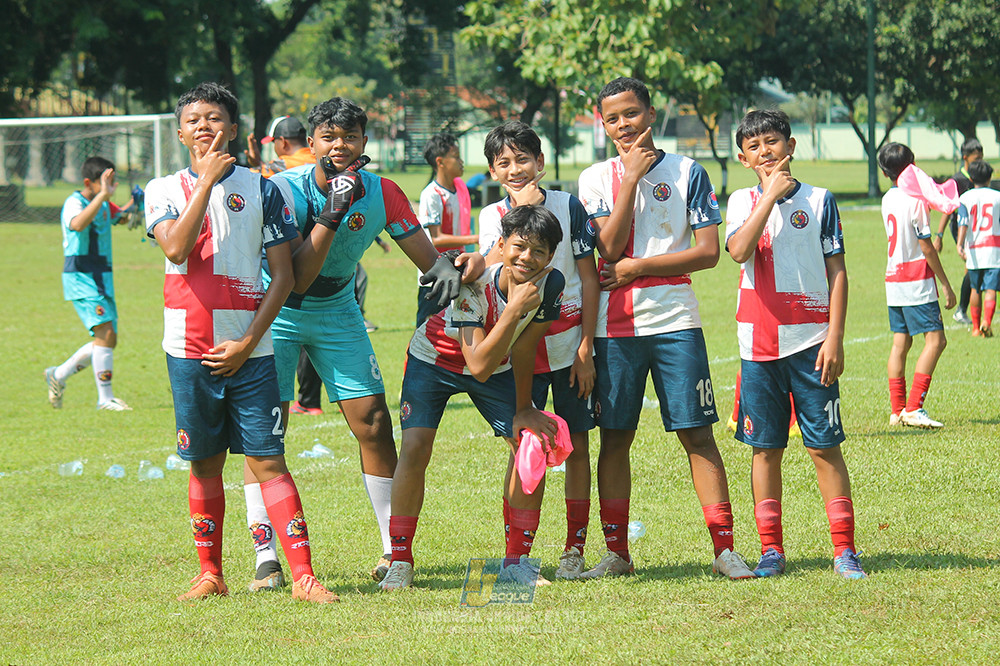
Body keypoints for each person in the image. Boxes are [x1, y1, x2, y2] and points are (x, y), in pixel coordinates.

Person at [246, 96, 480, 590]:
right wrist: (334, 207)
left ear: (364, 144)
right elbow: (298, 280)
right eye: (329, 137)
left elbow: (427, 258)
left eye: (349, 137)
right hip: (279, 310)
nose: (339, 146)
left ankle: (393, 551)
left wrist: (459, 270)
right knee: (267, 431)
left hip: (339, 311)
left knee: (374, 423)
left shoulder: (384, 191)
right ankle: (266, 557)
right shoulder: (281, 191)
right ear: (310, 144)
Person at [144, 81, 337, 602]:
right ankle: (211, 573)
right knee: (204, 463)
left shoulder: (263, 188)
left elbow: (285, 276)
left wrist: (251, 341)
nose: (204, 125)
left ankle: (303, 577)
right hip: (189, 348)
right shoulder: (162, 189)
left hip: (253, 351)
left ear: (233, 128)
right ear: (180, 131)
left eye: (215, 117)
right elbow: (177, 248)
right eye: (194, 119)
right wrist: (205, 183)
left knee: (268, 459)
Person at [577, 77, 754, 580]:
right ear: (603, 124)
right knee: (615, 437)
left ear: (651, 114)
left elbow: (707, 251)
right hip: (616, 328)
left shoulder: (687, 171)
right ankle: (617, 555)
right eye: (612, 118)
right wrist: (630, 178)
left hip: (677, 321)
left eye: (631, 113)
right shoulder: (595, 178)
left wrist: (638, 269)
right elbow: (607, 251)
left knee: (697, 434)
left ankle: (724, 550)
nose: (623, 124)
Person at [379, 205, 565, 591]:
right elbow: (477, 362)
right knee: (415, 448)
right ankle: (400, 560)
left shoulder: (552, 283)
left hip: (497, 368)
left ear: (551, 258)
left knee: (531, 444)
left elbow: (527, 343)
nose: (527, 258)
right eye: (519, 246)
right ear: (501, 244)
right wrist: (513, 309)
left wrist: (524, 408)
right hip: (434, 361)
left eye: (540, 252)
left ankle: (517, 562)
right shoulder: (474, 284)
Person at [726, 108, 865, 579]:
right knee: (764, 448)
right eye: (755, 146)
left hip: (812, 342)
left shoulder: (821, 200)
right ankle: (771, 550)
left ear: (791, 145)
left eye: (773, 141)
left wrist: (836, 337)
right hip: (758, 347)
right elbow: (740, 251)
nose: (765, 151)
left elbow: (837, 272)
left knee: (824, 447)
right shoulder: (741, 201)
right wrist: (768, 198)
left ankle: (844, 550)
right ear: (743, 158)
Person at [477, 121, 599, 579]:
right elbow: (491, 266)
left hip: (568, 349)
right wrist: (516, 216)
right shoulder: (492, 216)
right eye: (504, 163)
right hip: (517, 352)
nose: (515, 169)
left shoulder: (570, 207)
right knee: (522, 450)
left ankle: (574, 549)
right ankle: (517, 557)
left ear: (540, 163)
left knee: (577, 445)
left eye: (522, 159)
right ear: (492, 170)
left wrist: (586, 345)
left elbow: (588, 276)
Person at [45, 156, 134, 411]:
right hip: (82, 276)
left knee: (107, 339)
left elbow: (123, 217)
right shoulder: (75, 202)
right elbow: (77, 223)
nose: (112, 187)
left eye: (113, 181)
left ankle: (58, 375)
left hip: (102, 276)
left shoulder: (104, 202)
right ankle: (105, 399)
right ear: (89, 182)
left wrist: (137, 202)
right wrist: (103, 196)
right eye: (107, 182)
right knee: (105, 335)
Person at [877, 142, 956, 429]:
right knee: (936, 341)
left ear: (885, 172)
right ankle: (914, 408)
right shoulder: (916, 200)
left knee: (902, 342)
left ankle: (897, 410)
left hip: (893, 278)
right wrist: (946, 284)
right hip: (916, 280)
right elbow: (925, 246)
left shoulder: (888, 198)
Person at [416, 133, 480, 326]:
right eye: (456, 156)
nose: (461, 161)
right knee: (427, 327)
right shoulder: (431, 195)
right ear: (440, 162)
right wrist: (473, 239)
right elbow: (436, 239)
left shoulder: (460, 189)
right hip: (435, 273)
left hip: (458, 269)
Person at [935, 138, 983, 325]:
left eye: (981, 158)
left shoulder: (979, 177)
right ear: (965, 158)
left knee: (975, 266)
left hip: (978, 228)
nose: (979, 162)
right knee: (973, 265)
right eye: (976, 158)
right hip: (960, 230)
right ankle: (962, 309)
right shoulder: (957, 180)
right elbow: (948, 209)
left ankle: (970, 307)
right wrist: (939, 236)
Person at [956, 159, 1000, 338]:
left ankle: (975, 328)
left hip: (974, 249)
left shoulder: (965, 198)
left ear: (972, 178)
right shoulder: (997, 196)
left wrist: (960, 244)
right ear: (989, 178)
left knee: (975, 288)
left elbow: (963, 223)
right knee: (990, 289)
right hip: (994, 249)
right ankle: (987, 322)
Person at [245, 115, 313, 177]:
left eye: (274, 142)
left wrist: (258, 165)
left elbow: (247, 177)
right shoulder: (318, 159)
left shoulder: (280, 165)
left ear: (283, 142)